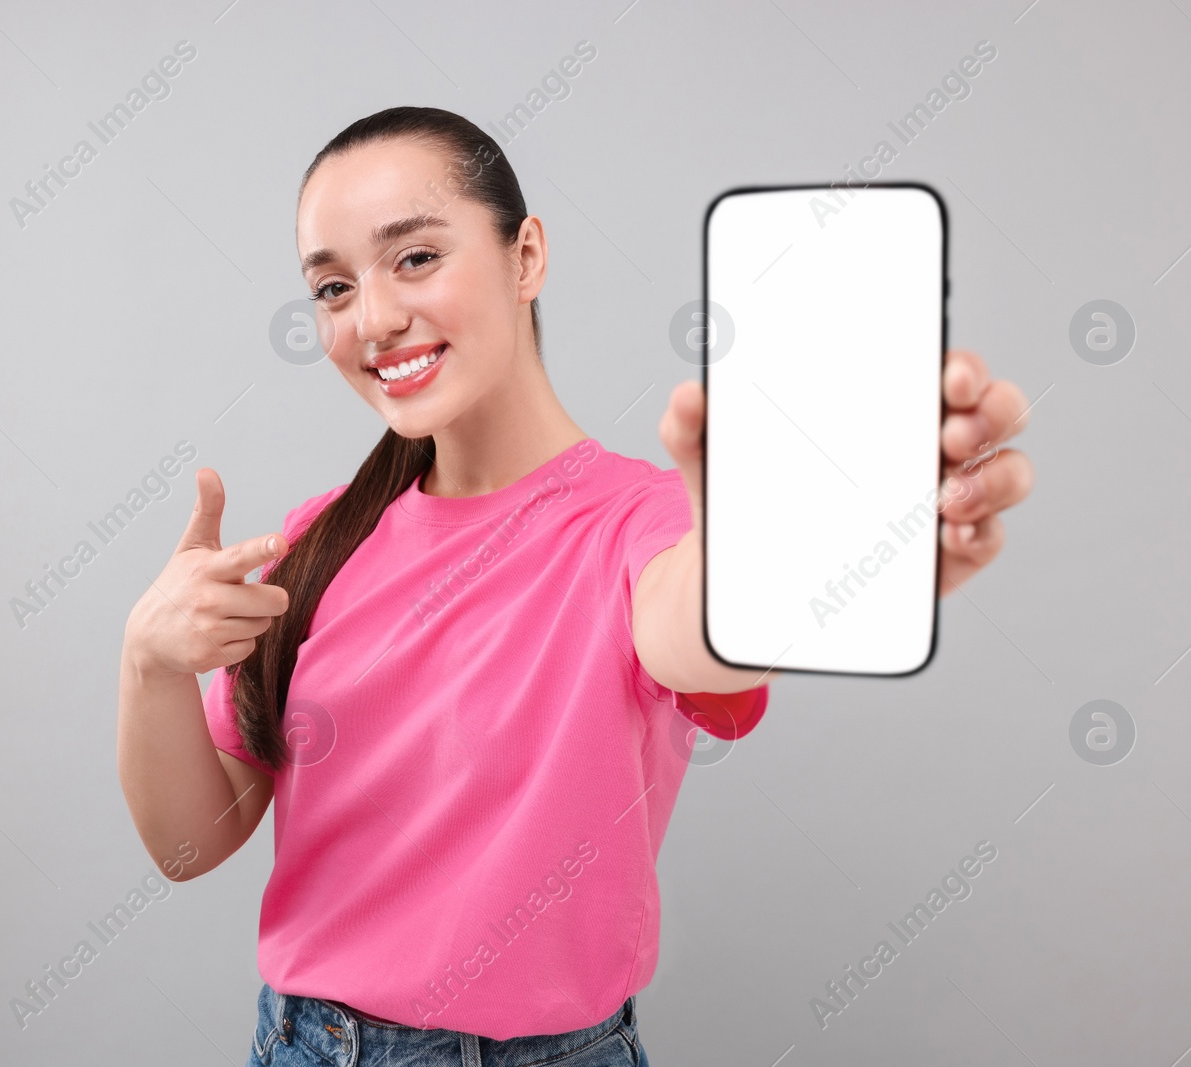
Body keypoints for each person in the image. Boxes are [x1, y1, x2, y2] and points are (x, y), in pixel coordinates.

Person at [116, 106, 1032, 1066]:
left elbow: (698, 623)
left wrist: (792, 559)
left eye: (416, 258)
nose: (375, 318)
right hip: (309, 1043)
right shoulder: (315, 541)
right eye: (334, 286)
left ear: (526, 258)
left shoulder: (647, 522)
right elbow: (186, 848)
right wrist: (148, 662)